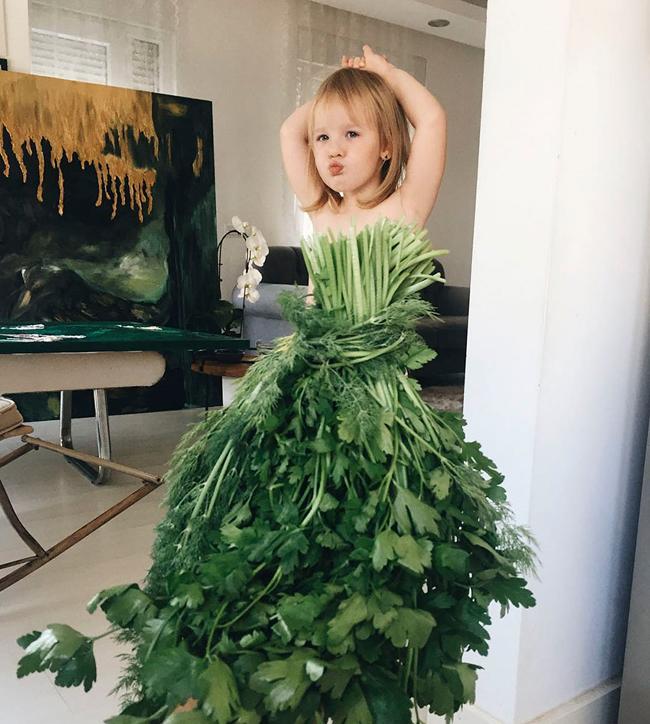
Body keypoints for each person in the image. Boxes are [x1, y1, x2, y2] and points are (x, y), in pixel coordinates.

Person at [17, 46, 537, 723]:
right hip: (307, 379)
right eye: (325, 138)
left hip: (374, 391)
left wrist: (382, 78)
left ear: (388, 145)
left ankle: (351, 642)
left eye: (352, 134)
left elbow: (432, 119)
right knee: (265, 498)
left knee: (361, 508)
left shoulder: (403, 209)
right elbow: (290, 131)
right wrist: (329, 101)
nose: (332, 149)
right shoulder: (321, 210)